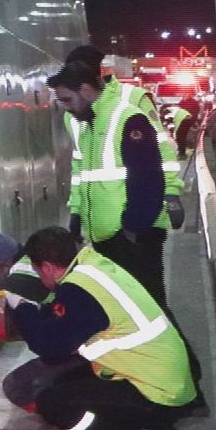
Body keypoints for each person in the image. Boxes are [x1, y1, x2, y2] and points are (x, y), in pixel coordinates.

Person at [2, 226, 200, 430]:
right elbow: (61, 321)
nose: (40, 278)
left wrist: (22, 307)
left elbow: (48, 347)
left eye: (38, 270)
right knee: (59, 381)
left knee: (52, 402)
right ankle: (158, 428)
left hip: (158, 393)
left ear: (48, 267)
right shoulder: (91, 265)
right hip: (164, 379)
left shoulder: (79, 291)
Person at [47, 59, 172, 311]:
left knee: (149, 307)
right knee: (131, 310)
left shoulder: (128, 119)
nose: (66, 108)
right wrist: (78, 215)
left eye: (67, 100)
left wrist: (132, 228)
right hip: (109, 238)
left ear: (85, 90)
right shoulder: (91, 124)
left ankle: (173, 340)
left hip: (131, 238)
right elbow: (86, 176)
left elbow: (148, 179)